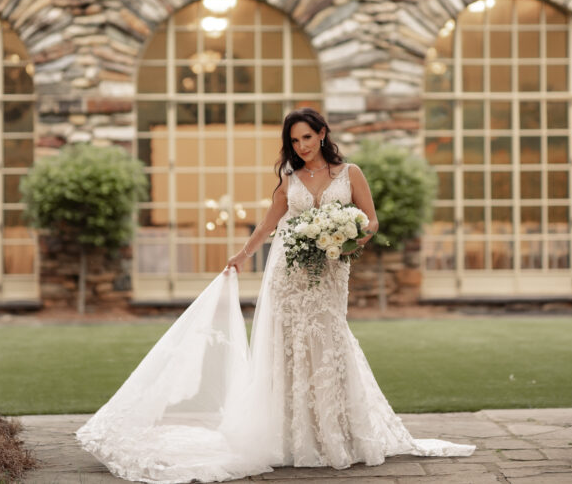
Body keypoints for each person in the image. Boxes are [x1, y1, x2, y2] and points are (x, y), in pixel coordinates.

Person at [77, 108, 474, 484]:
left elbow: (371, 220)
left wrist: (349, 241)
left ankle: (337, 434)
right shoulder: (290, 178)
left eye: (307, 137)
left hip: (332, 271)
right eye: (294, 140)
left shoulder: (350, 173)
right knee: (289, 346)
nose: (302, 146)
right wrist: (242, 254)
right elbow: (269, 224)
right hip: (289, 273)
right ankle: (291, 437)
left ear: (322, 134)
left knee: (329, 341)